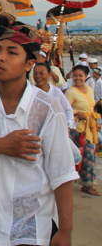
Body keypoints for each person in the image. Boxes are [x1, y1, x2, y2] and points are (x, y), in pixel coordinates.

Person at [0, 14, 78, 246]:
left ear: (29, 64)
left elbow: (62, 174)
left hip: (34, 225)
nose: (0, 57)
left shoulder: (47, 108)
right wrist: (0, 145)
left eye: (12, 53)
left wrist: (65, 231)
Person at [65, 64, 101, 196]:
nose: (77, 78)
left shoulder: (89, 89)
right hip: (78, 129)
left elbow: (92, 108)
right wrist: (76, 113)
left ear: (86, 77)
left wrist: (96, 122)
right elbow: (65, 110)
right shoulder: (71, 92)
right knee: (83, 156)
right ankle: (86, 183)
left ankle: (88, 182)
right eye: (75, 76)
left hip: (89, 127)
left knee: (90, 154)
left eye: (80, 76)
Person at [34, 63, 75, 129]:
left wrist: (68, 126)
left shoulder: (56, 91)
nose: (38, 76)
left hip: (55, 128)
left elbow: (68, 109)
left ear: (49, 75)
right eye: (35, 73)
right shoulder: (30, 92)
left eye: (42, 73)